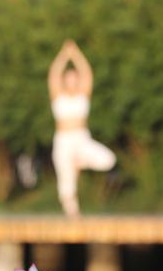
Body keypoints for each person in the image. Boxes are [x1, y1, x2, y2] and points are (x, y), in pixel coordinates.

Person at [48, 40, 116, 217]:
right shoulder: (58, 95)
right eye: (68, 78)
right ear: (64, 81)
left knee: (108, 160)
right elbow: (53, 75)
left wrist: (76, 54)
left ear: (77, 80)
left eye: (74, 78)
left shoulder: (83, 93)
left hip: (81, 139)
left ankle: (79, 161)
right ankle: (72, 215)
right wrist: (64, 55)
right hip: (63, 140)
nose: (71, 81)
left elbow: (87, 73)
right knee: (67, 184)